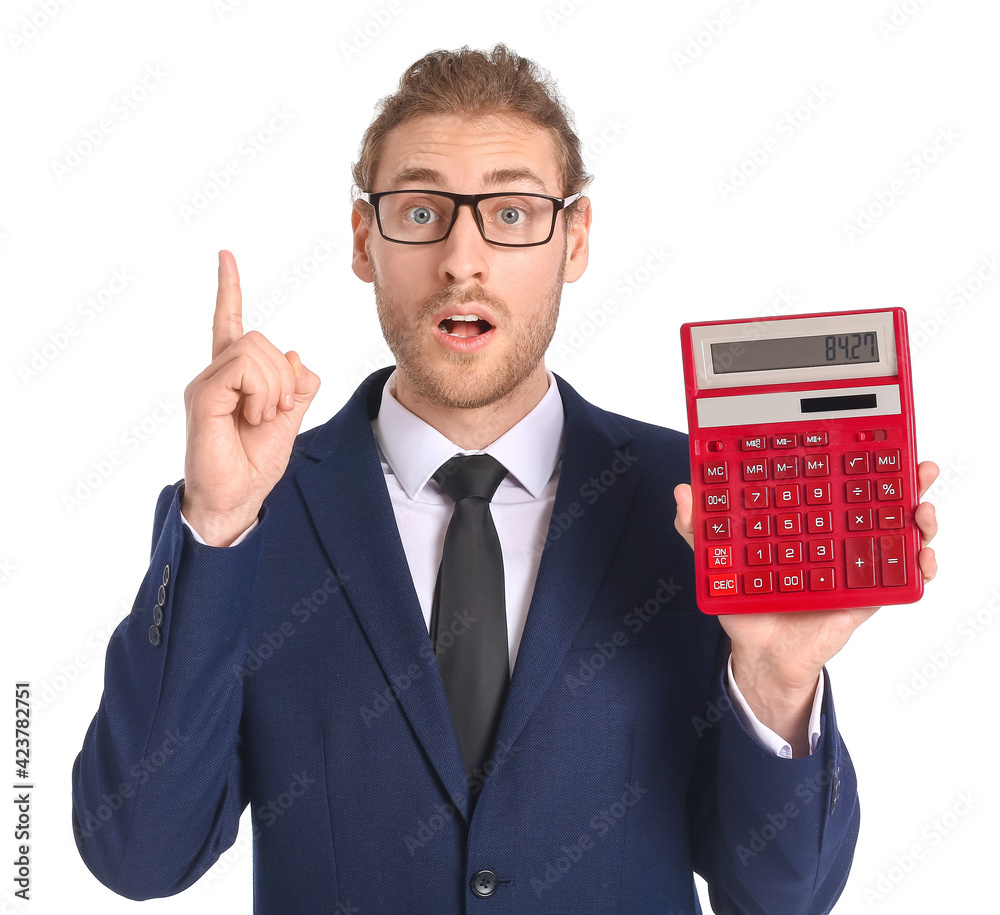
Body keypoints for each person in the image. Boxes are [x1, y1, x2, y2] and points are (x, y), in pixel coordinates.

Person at [72, 44, 939, 913]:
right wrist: (216, 527)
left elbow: (780, 899)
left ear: (577, 239)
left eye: (513, 214)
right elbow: (141, 854)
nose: (462, 259)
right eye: (420, 210)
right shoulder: (252, 514)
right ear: (364, 240)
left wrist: (778, 684)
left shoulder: (700, 504)